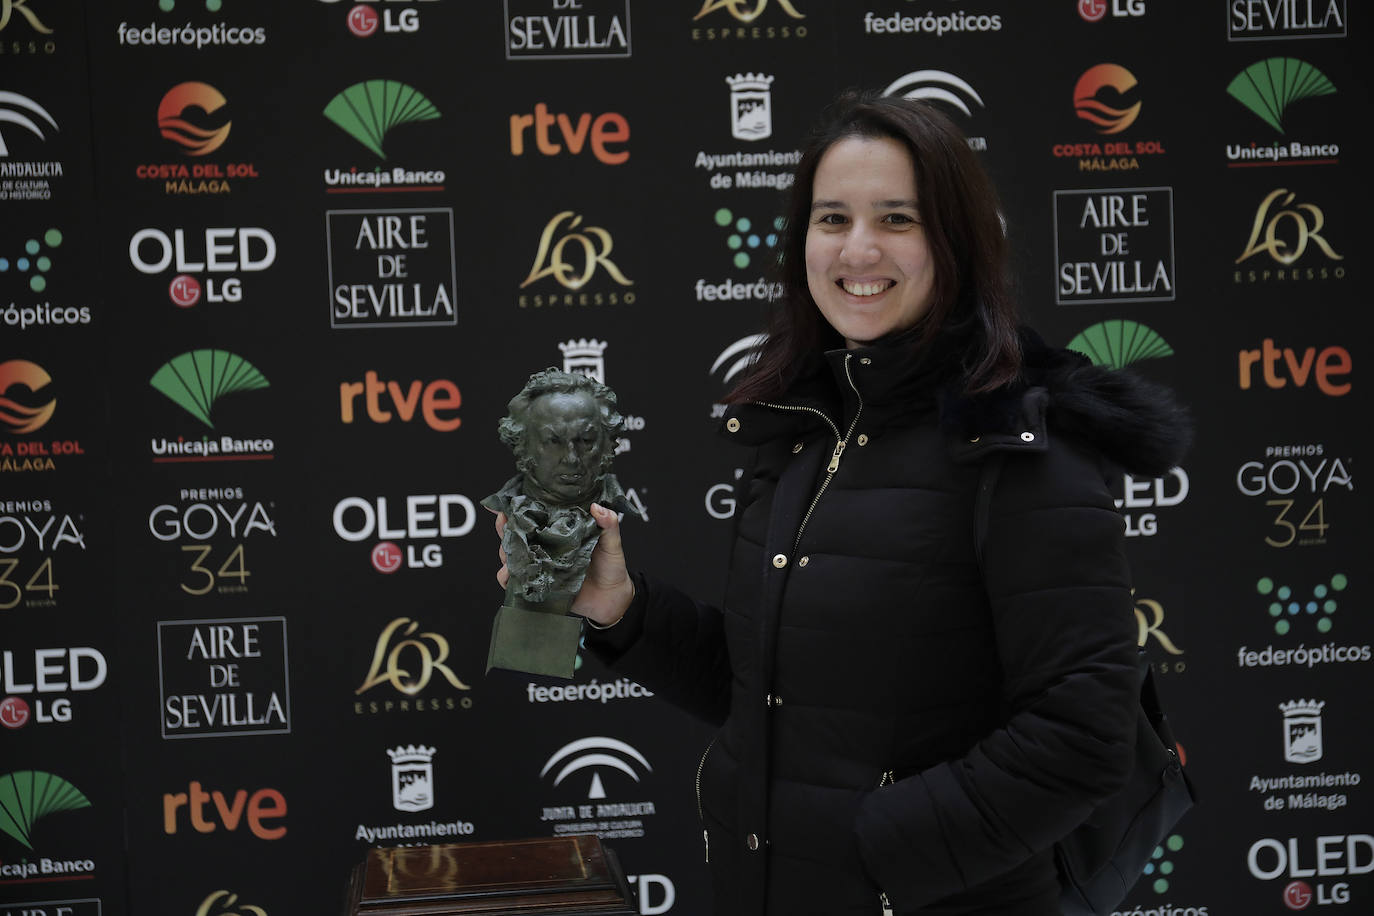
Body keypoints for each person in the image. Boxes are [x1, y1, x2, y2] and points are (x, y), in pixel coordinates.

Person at [494, 93, 1189, 914]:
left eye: (897, 218)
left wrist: (880, 855)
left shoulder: (1022, 447)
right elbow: (775, 692)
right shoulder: (800, 428)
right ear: (802, 243)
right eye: (832, 219)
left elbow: (1081, 736)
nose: (859, 249)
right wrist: (620, 609)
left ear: (956, 241)